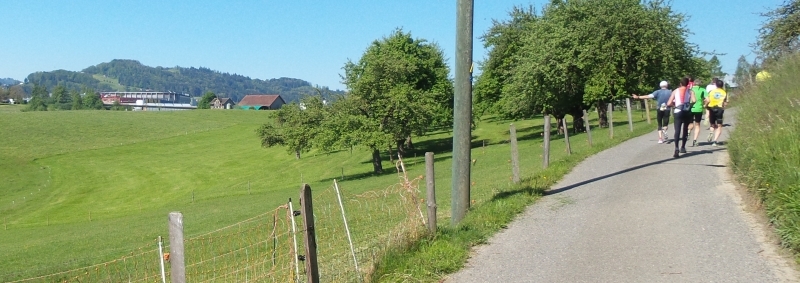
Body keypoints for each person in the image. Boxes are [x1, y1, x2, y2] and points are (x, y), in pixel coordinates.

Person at [667, 77, 696, 158]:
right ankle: (683, 147)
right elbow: (694, 101)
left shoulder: (675, 91)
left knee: (677, 130)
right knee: (685, 129)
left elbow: (669, 103)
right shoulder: (690, 91)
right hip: (686, 111)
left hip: (677, 111)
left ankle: (676, 148)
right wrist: (689, 105)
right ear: (688, 84)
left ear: (680, 83)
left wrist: (675, 106)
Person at [706, 80, 728, 146]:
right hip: (719, 109)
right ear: (722, 85)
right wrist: (724, 106)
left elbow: (707, 100)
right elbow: (726, 102)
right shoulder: (724, 92)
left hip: (712, 108)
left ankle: (711, 132)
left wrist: (706, 105)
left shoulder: (711, 92)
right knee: (719, 125)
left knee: (712, 123)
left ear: (716, 85)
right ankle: (715, 141)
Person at [687, 78, 707, 146]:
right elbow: (708, 99)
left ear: (694, 83)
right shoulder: (702, 90)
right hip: (699, 108)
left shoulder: (690, 90)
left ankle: (688, 131)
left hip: (690, 108)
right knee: (697, 124)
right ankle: (694, 140)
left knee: (690, 123)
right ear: (700, 84)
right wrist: (705, 105)